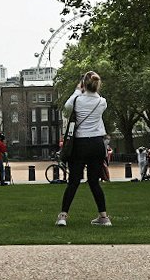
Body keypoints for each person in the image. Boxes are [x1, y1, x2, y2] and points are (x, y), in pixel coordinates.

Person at [56, 71, 111, 227]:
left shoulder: (77, 99)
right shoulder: (102, 102)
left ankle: (63, 216)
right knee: (94, 182)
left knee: (73, 181)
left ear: (83, 84)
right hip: (97, 143)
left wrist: (77, 90)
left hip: (80, 144)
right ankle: (104, 217)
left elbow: (67, 107)